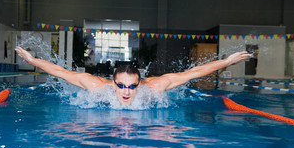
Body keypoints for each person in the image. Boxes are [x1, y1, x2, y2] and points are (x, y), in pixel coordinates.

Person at [15, 47, 251, 105]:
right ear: (113, 82)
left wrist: (227, 61)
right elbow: (61, 72)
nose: (126, 92)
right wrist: (33, 60)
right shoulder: (97, 86)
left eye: (132, 87)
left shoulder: (155, 87)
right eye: (121, 86)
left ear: (141, 82)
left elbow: (193, 73)